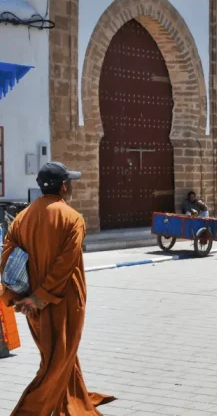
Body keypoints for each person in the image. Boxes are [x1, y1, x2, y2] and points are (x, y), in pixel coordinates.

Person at [0, 162, 115, 413]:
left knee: (59, 355)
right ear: (63, 186)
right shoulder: (72, 218)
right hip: (63, 301)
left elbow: (7, 258)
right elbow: (66, 265)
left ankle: (73, 399)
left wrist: (20, 296)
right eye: (69, 182)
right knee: (55, 364)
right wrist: (40, 297)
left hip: (30, 304)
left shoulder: (21, 218)